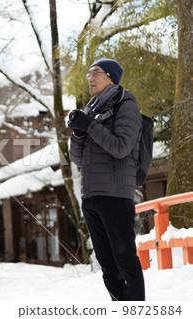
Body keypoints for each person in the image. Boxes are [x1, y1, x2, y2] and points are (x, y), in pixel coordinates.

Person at [68, 58, 145, 301]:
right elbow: (77, 158)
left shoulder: (126, 104)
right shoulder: (91, 108)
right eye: (89, 74)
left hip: (115, 195)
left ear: (110, 76)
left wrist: (89, 125)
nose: (89, 78)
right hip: (91, 197)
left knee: (125, 261)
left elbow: (121, 147)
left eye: (95, 73)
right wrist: (79, 132)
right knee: (108, 266)